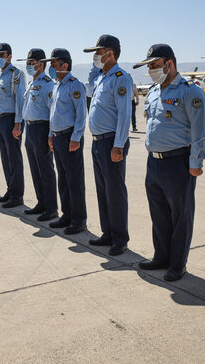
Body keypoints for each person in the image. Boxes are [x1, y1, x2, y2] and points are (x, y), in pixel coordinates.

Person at [133, 44, 205, 281]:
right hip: (154, 162)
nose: (151, 70)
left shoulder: (189, 91)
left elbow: (200, 131)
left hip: (178, 162)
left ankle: (178, 264)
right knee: (159, 214)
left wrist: (196, 161)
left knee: (180, 215)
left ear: (169, 64)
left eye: (154, 65)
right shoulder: (155, 91)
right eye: (149, 66)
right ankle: (161, 256)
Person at [84, 35, 133, 256]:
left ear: (109, 53)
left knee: (115, 191)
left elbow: (124, 114)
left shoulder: (120, 78)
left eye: (98, 52)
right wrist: (95, 69)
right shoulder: (102, 77)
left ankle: (120, 238)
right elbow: (87, 89)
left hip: (112, 141)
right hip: (98, 142)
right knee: (103, 191)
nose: (95, 56)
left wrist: (119, 145)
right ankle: (108, 233)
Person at [41, 48, 88, 235]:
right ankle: (67, 215)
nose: (51, 68)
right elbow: (53, 113)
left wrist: (76, 138)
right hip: (58, 137)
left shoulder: (75, 85)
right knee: (63, 179)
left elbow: (80, 115)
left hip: (70, 137)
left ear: (65, 65)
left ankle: (79, 219)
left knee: (74, 181)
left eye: (53, 64)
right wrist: (51, 135)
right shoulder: (57, 85)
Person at [17, 48, 57, 221]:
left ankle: (51, 207)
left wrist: (50, 135)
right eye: (27, 63)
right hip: (30, 128)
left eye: (31, 63)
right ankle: (41, 202)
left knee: (46, 170)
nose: (28, 66)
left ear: (41, 65)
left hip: (42, 128)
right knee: (35, 169)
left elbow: (52, 112)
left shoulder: (48, 84)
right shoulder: (32, 83)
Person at [0, 43, 26, 208]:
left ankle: (17, 195)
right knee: (5, 158)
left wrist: (18, 123)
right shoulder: (0, 75)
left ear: (10, 56)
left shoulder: (15, 74)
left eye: (2, 54)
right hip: (2, 119)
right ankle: (10, 191)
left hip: (12, 119)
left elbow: (19, 100)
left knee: (14, 158)